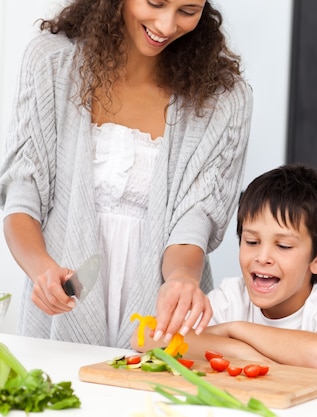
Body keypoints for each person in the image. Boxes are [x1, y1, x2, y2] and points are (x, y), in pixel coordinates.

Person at [0, 0, 252, 349]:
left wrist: (180, 280)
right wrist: (42, 270)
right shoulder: (51, 62)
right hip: (58, 316)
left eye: (188, 11)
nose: (166, 25)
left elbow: (195, 218)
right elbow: (22, 193)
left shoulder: (222, 98)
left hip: (161, 320)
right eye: (156, 3)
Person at [134, 164, 317, 372]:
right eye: (252, 242)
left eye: (283, 245)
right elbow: (144, 337)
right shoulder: (233, 295)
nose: (263, 257)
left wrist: (235, 329)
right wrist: (239, 351)